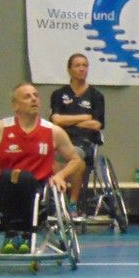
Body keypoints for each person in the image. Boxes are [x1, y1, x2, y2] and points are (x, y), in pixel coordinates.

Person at [0, 83, 83, 253]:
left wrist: (60, 175)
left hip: (38, 191)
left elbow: (76, 160)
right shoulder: (0, 128)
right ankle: (11, 234)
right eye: (27, 96)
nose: (33, 99)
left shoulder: (53, 131)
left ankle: (22, 234)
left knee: (25, 178)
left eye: (36, 95)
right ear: (15, 105)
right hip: (5, 189)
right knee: (12, 176)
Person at [49, 53, 105, 214]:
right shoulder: (59, 94)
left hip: (84, 142)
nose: (82, 69)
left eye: (85, 65)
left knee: (76, 157)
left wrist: (67, 120)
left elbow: (97, 124)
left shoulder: (96, 96)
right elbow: (56, 120)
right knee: (55, 157)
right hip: (61, 140)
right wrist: (84, 117)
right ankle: (60, 199)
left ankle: (72, 203)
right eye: (77, 65)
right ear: (69, 69)